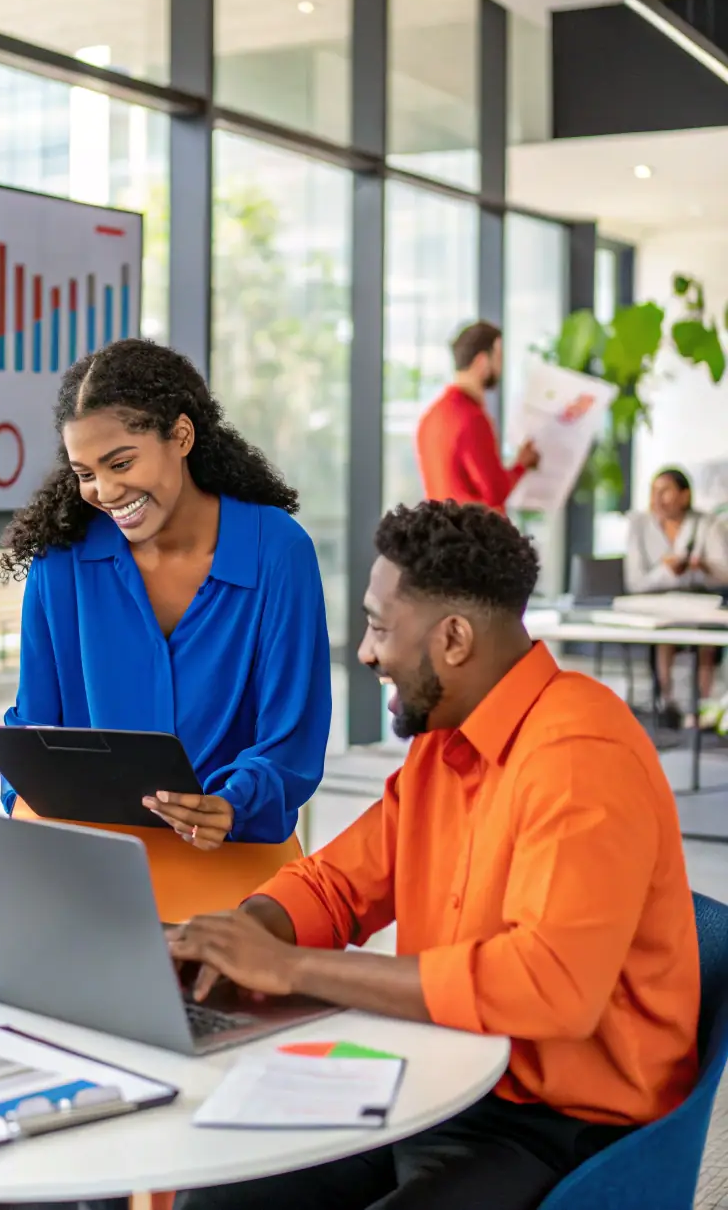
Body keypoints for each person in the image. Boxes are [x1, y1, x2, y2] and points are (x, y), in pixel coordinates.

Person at [169, 500, 699, 1210]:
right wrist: (244, 933)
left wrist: (293, 968)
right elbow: (336, 884)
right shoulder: (441, 746)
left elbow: (552, 987)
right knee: (221, 1196)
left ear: (452, 638)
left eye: (380, 627)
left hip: (559, 1121)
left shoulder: (580, 756)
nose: (364, 651)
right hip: (440, 1073)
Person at [0, 337, 332, 920]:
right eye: (86, 472)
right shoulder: (60, 563)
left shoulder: (278, 552)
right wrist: (28, 800)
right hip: (93, 869)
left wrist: (232, 803)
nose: (104, 493)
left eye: (121, 462)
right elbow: (35, 726)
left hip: (236, 863)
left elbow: (291, 740)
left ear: (180, 436)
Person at [626, 466, 728, 725]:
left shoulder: (707, 524)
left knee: (706, 636)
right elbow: (635, 582)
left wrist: (701, 567)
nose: (658, 499)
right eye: (654, 491)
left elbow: (725, 573)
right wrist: (666, 572)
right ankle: (667, 704)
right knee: (665, 634)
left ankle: (702, 707)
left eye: (666, 491)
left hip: (703, 602)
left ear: (684, 495)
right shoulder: (639, 525)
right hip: (657, 605)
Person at [416, 320, 539, 512]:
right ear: (482, 361)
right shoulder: (472, 418)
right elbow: (495, 492)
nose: (501, 368)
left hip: (441, 534)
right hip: (474, 536)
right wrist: (522, 464)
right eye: (498, 358)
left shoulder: (431, 416)